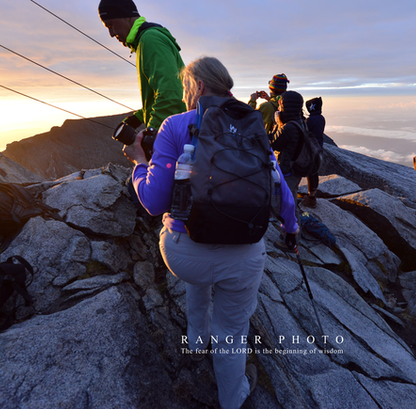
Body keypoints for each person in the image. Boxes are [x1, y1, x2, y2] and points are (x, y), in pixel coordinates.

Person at [122, 56, 299, 409]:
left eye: (188, 88)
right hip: (244, 255)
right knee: (232, 332)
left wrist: (140, 165)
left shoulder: (175, 125)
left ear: (199, 87)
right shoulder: (253, 127)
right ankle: (232, 399)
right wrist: (291, 229)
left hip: (184, 255)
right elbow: (281, 191)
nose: (187, 95)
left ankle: (197, 340)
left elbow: (155, 202)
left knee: (197, 274)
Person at [98, 0, 186, 132]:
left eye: (111, 25)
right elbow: (160, 92)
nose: (111, 34)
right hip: (177, 128)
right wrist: (139, 117)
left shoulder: (150, 39)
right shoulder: (143, 42)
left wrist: (151, 134)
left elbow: (170, 94)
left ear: (126, 16)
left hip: (178, 132)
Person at [268, 90, 307, 207]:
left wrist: (277, 123)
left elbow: (272, 143)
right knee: (292, 202)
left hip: (286, 172)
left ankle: (285, 225)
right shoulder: (302, 122)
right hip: (296, 170)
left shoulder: (288, 127)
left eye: (280, 104)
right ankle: (295, 224)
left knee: (280, 205)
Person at [302, 97, 326, 208]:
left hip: (311, 149)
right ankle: (313, 195)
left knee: (310, 173)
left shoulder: (310, 120)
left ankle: (311, 198)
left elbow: (304, 132)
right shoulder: (321, 118)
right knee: (314, 173)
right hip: (318, 147)